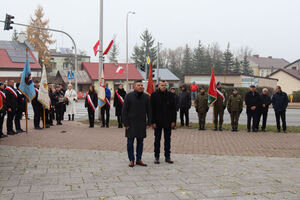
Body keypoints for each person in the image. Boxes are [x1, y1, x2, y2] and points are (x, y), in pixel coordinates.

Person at [122, 80, 151, 167]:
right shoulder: (128, 96)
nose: (141, 86)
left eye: (142, 85)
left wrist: (149, 122)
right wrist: (126, 123)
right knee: (130, 142)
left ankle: (139, 159)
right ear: (134, 87)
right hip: (130, 124)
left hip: (141, 123)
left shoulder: (146, 97)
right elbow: (124, 111)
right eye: (138, 85)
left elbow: (149, 111)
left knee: (140, 142)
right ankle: (131, 160)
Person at [151, 81, 176, 164]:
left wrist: (173, 121)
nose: (164, 87)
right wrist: (153, 122)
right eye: (162, 85)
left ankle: (167, 156)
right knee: (157, 140)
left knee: (167, 140)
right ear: (158, 86)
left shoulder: (170, 95)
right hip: (157, 122)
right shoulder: (154, 95)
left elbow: (173, 109)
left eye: (165, 85)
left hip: (168, 121)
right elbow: (152, 109)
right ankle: (157, 157)